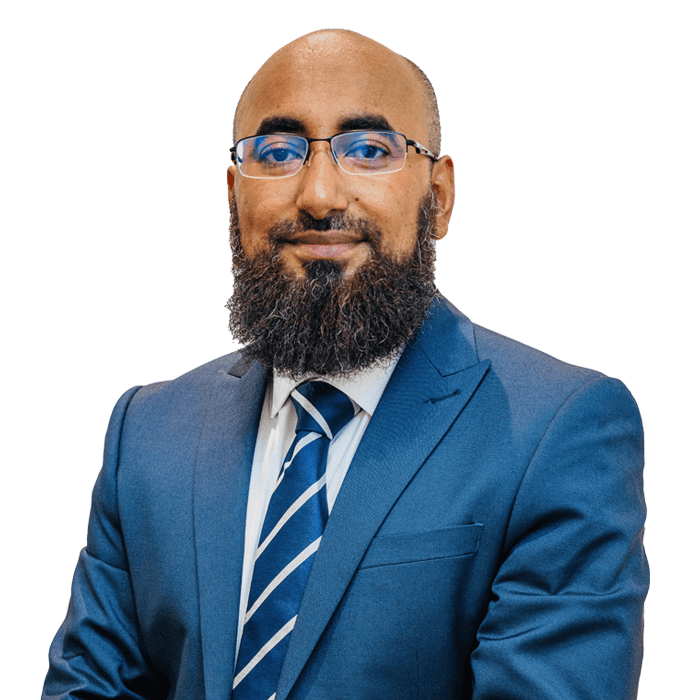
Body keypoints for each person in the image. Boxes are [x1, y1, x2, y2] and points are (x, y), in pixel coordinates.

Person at [43, 29, 648, 700]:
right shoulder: (148, 434)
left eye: (369, 149)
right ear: (232, 194)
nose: (321, 194)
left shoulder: (559, 432)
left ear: (439, 198)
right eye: (276, 153)